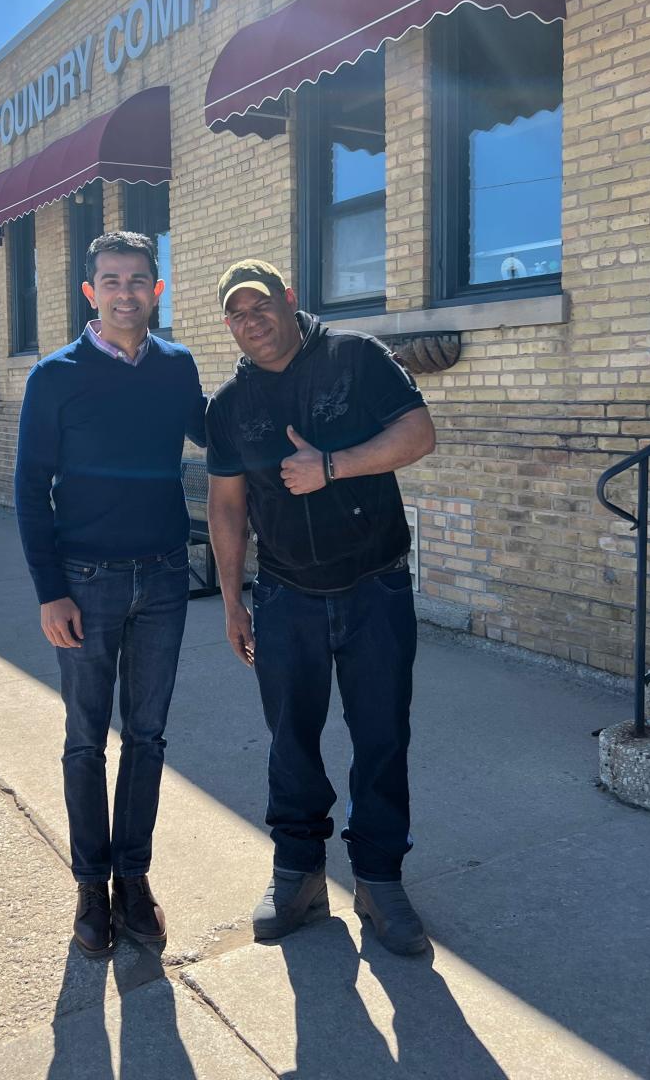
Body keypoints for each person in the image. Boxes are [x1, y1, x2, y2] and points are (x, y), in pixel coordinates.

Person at [205, 260, 436, 955]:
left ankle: (378, 878)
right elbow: (225, 505)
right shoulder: (228, 405)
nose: (252, 321)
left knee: (382, 737)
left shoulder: (356, 359)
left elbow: (419, 434)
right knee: (290, 741)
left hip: (375, 585)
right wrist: (231, 600)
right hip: (284, 594)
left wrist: (331, 466)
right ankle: (298, 873)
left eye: (261, 305)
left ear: (289, 299)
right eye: (237, 314)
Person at [14, 230, 206, 958]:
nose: (126, 291)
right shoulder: (55, 377)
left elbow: (217, 432)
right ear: (90, 291)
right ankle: (91, 889)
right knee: (86, 740)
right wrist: (49, 591)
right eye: (111, 280)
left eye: (138, 279)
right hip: (85, 585)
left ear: (157, 289)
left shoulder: (176, 366)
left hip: (162, 577)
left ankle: (135, 878)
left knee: (149, 738)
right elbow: (31, 491)